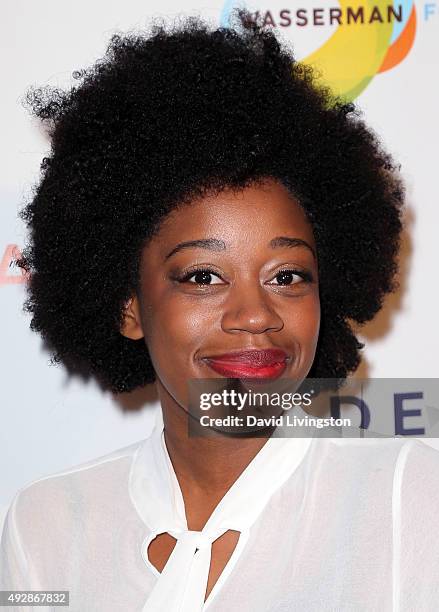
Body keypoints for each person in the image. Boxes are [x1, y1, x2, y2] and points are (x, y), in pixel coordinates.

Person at [1, 13, 439, 612]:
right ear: (128, 305)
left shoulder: (409, 498)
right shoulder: (45, 525)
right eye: (202, 277)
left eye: (287, 276)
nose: (255, 314)